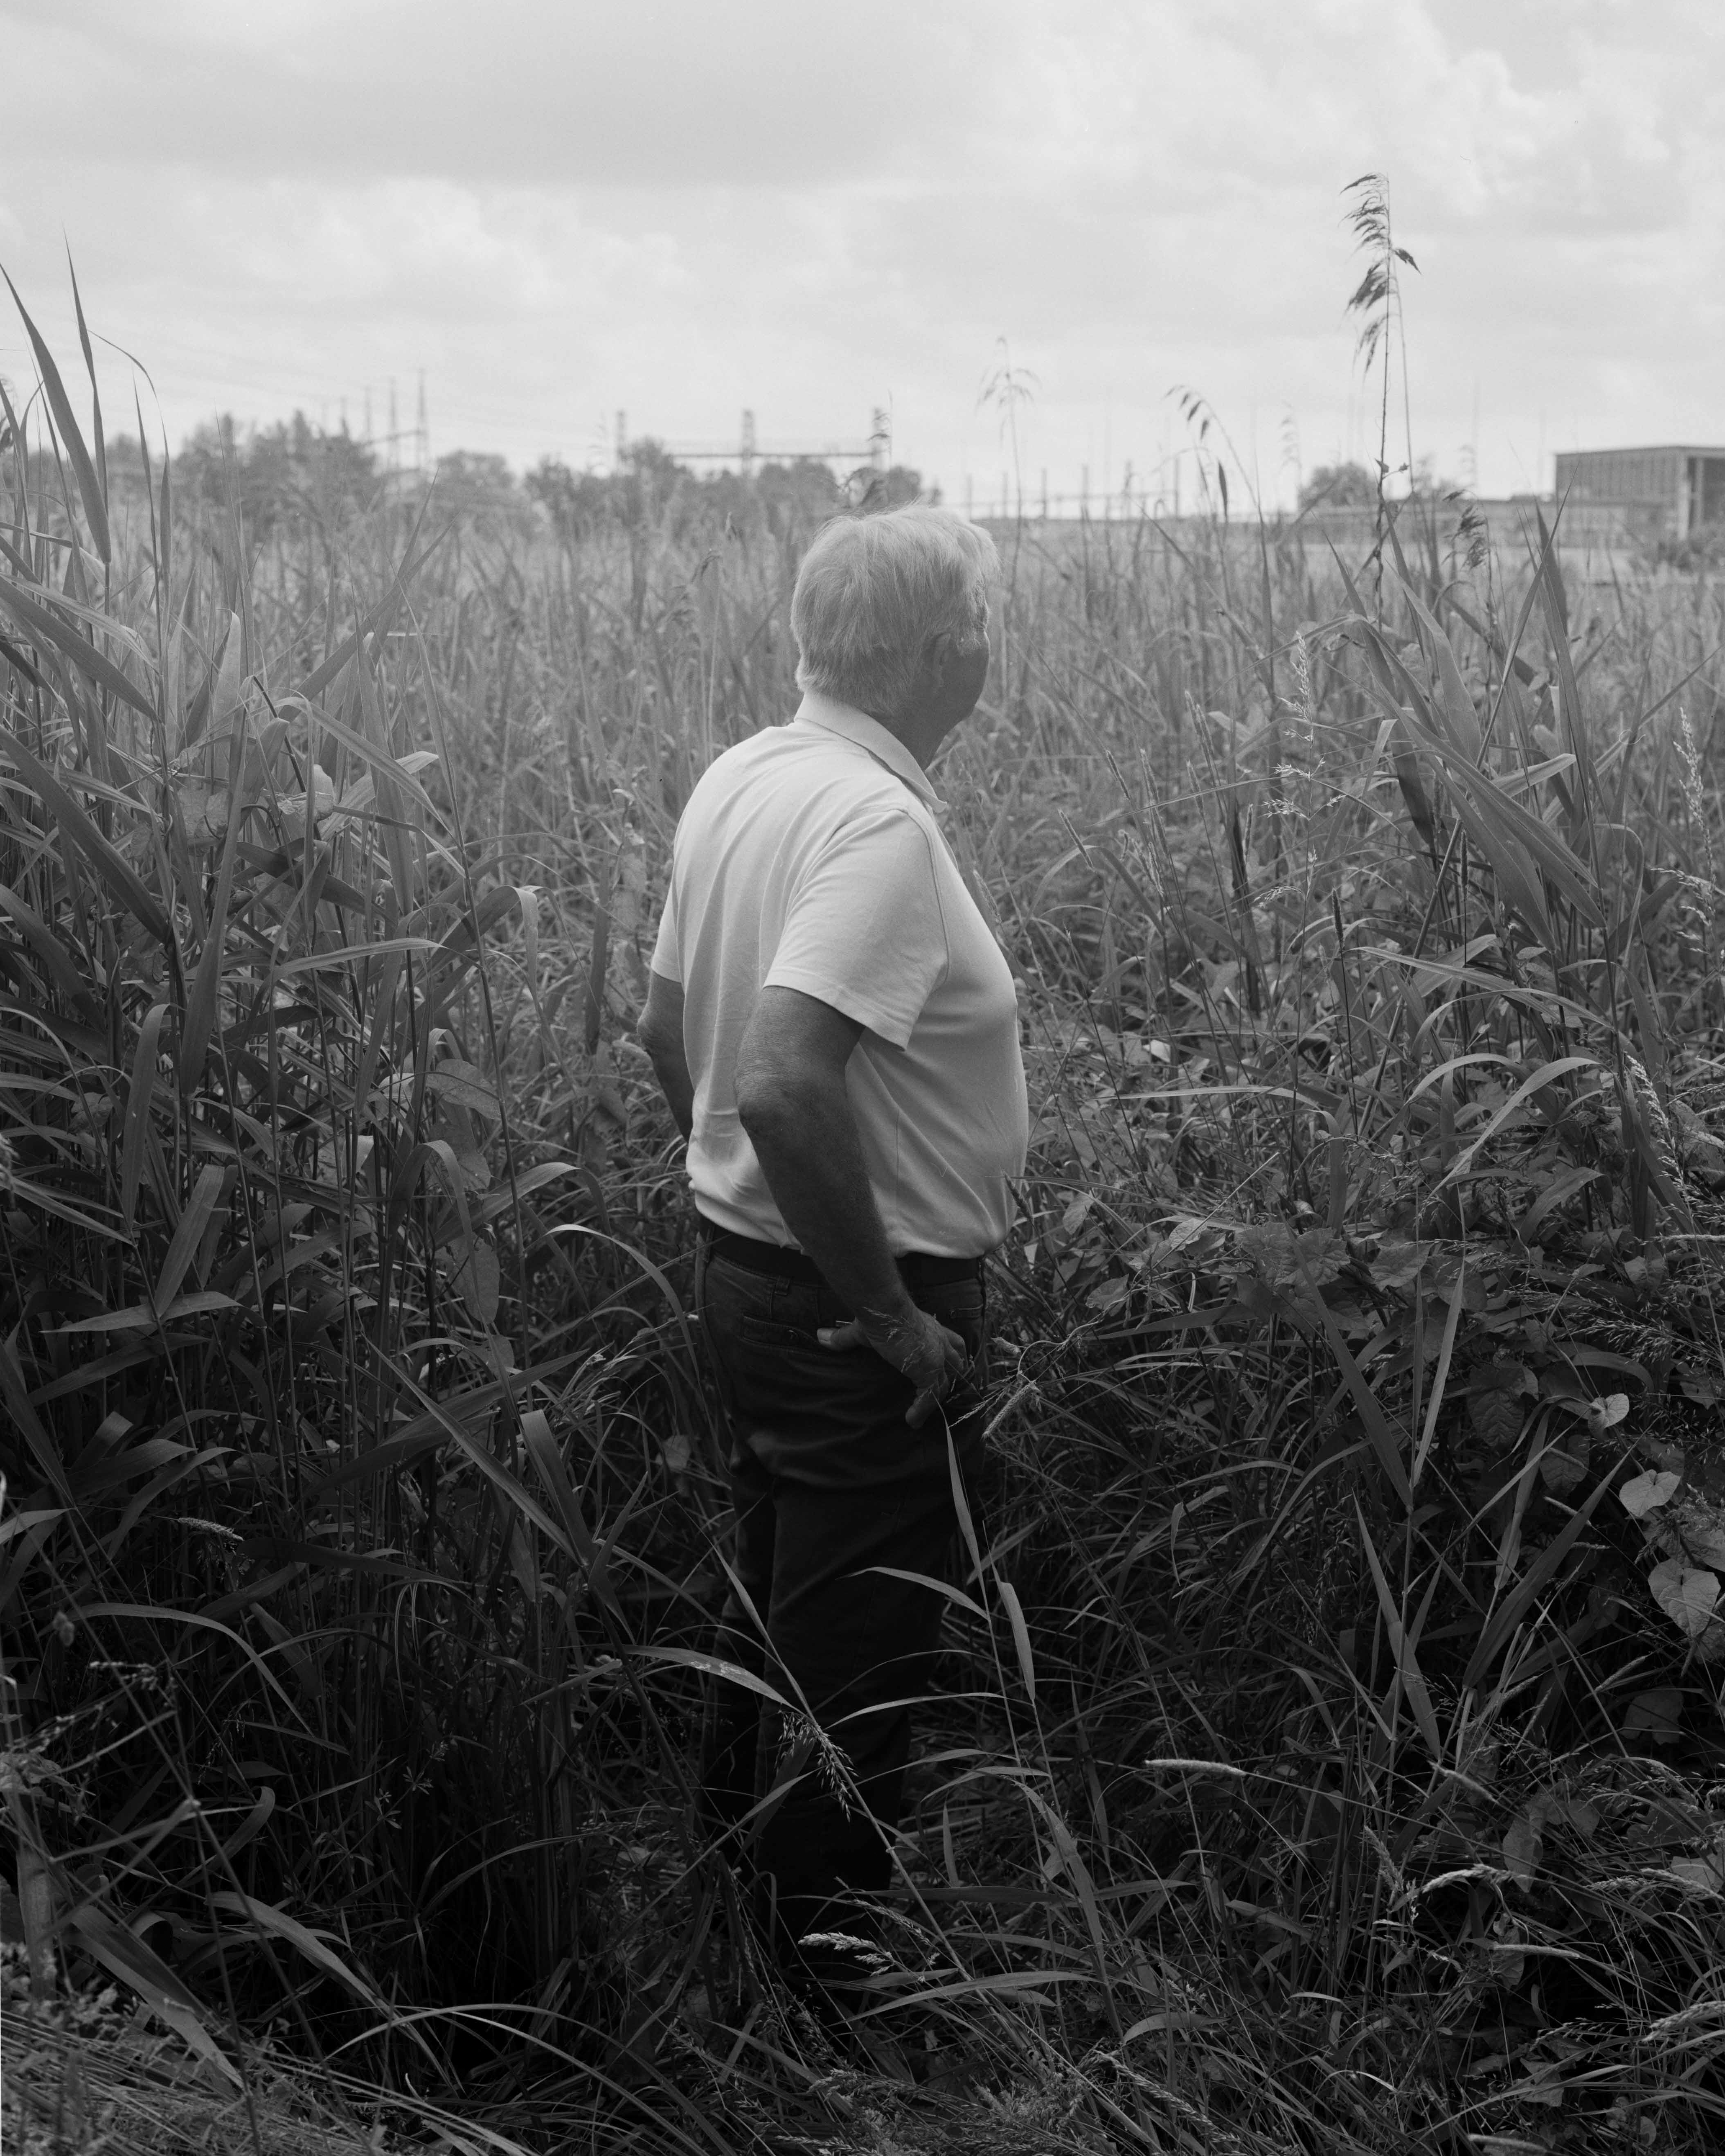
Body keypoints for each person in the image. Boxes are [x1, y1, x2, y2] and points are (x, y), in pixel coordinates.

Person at [637, 503, 1027, 1998]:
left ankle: (736, 1936)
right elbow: (783, 1081)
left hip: (759, 1278)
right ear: (945, 652)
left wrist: (739, 1196)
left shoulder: (748, 774)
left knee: (782, 1614)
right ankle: (827, 2009)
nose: (991, 646)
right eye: (983, 624)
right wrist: (890, 1317)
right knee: (856, 1660)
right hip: (854, 1311)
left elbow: (666, 1029)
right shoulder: (875, 825)